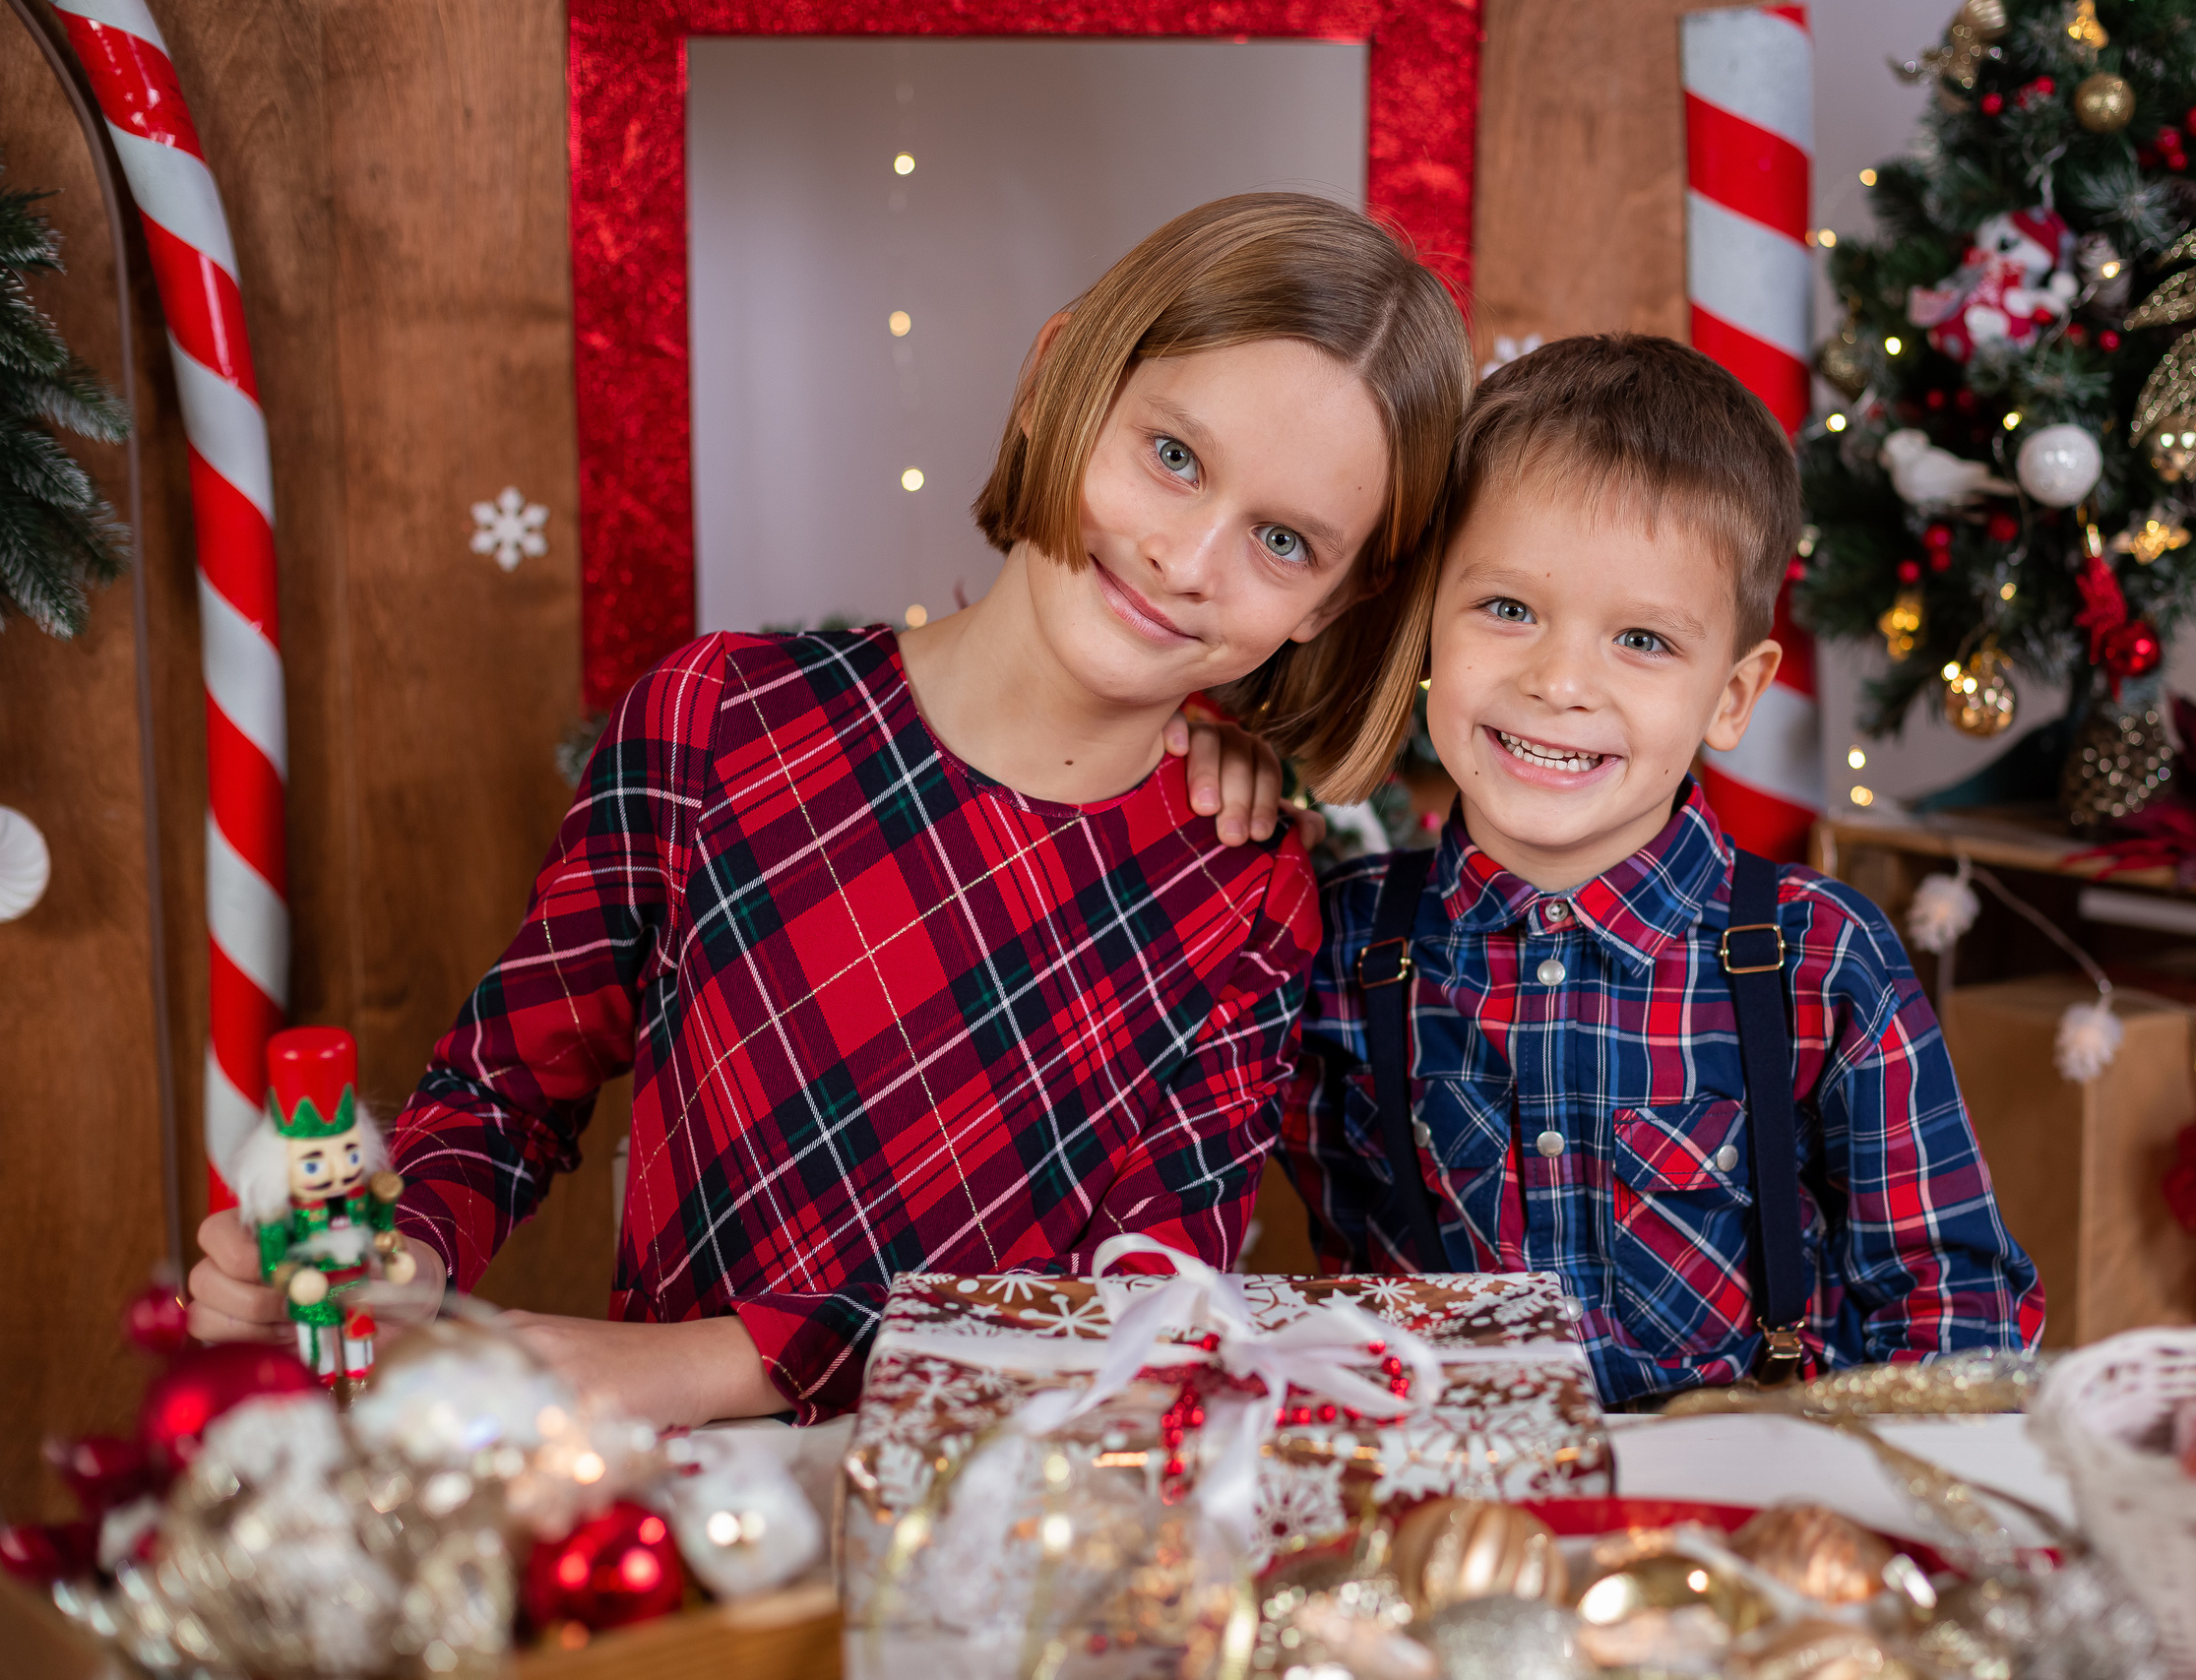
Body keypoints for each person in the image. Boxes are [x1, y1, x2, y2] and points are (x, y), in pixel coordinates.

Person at [183, 193, 1474, 1425]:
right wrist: (394, 1257)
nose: (1188, 561)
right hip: (692, 1552)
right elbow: (497, 1094)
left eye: (1285, 541)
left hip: (1026, 1552)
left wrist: (709, 1360)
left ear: (1330, 606)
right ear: (1056, 381)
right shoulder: (722, 715)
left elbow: (1144, 1313)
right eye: (1174, 456)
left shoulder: (1244, 883)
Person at [1276, 335, 2042, 1404]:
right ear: (1425, 625)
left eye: (1639, 640)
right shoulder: (1343, 939)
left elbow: (1949, 1307)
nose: (1558, 683)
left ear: (1732, 696)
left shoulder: (1818, 958)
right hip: (1456, 1495)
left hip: (1750, 1500)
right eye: (1508, 609)